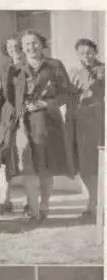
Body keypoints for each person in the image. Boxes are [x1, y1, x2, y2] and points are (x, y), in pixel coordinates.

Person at [6, 30, 72, 222]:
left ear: (42, 44)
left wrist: (46, 103)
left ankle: (44, 206)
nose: (31, 47)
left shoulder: (54, 65)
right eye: (26, 44)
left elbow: (66, 93)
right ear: (22, 48)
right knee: (28, 166)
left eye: (34, 43)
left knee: (45, 166)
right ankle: (33, 209)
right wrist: (20, 108)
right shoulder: (16, 69)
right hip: (24, 123)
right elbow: (11, 96)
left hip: (47, 122)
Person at [68, 38, 105, 223]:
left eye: (89, 52)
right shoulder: (74, 72)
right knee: (83, 166)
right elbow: (69, 96)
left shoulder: (103, 70)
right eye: (82, 53)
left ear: (95, 52)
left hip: (99, 122)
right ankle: (93, 200)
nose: (86, 56)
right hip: (80, 123)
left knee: (99, 163)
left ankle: (97, 203)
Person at [0, 36, 25, 215]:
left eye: (17, 46)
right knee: (2, 156)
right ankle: (4, 199)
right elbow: (0, 93)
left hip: (26, 114)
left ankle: (30, 200)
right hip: (7, 115)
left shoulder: (30, 67)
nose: (13, 49)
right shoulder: (5, 69)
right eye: (10, 46)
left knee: (26, 155)